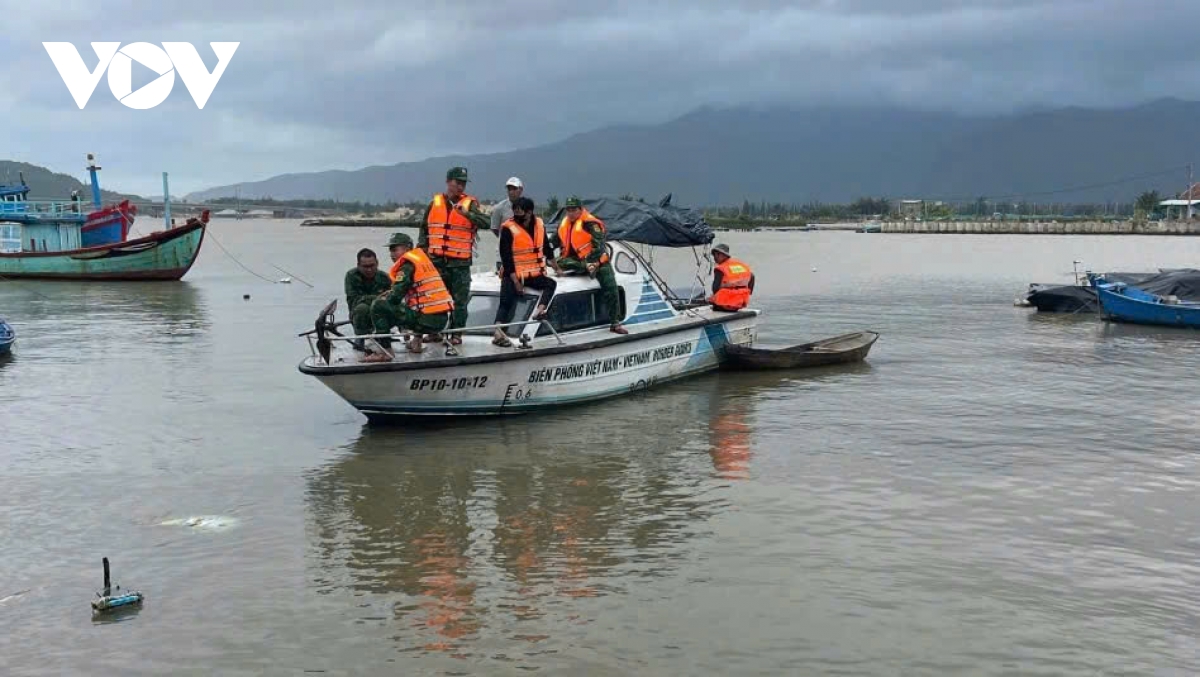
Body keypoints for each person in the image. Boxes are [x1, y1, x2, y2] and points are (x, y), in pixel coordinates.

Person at [417, 166, 490, 343]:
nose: (461, 186)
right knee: (434, 298)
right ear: (448, 182)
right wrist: (422, 251)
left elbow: (487, 223)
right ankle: (434, 331)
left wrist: (468, 214)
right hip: (437, 261)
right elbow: (424, 228)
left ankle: (456, 334)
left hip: (460, 264)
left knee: (460, 301)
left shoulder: (470, 204)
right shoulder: (434, 203)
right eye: (458, 182)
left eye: (463, 183)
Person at [366, 232, 454, 361]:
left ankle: (385, 351)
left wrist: (386, 296)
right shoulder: (423, 262)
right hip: (440, 321)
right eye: (390, 250)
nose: (392, 254)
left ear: (407, 248)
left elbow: (395, 298)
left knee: (379, 305)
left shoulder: (407, 266)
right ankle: (416, 342)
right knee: (413, 305)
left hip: (427, 321)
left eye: (395, 249)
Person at [555, 196, 627, 334]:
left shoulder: (590, 224)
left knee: (611, 286)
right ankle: (584, 267)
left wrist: (591, 263)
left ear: (580, 209)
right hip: (574, 262)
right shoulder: (563, 224)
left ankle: (615, 323)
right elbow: (553, 242)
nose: (570, 213)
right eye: (568, 210)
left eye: (573, 209)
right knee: (558, 262)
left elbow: (599, 246)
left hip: (597, 261)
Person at [493, 197, 558, 347]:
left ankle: (540, 311)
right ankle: (497, 331)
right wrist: (516, 282)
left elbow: (547, 248)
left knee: (551, 284)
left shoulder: (540, 225)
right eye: (515, 211)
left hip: (533, 274)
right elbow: (506, 257)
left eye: (520, 211)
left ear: (529, 212)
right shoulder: (509, 228)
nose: (517, 215)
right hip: (513, 273)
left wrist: (556, 267)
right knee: (506, 301)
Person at [344, 247, 392, 346]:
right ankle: (361, 338)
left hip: (381, 313)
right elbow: (354, 299)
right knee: (362, 308)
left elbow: (392, 299)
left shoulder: (385, 278)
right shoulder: (351, 276)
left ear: (377, 263)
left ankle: (385, 337)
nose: (369, 269)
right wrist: (377, 298)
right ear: (358, 265)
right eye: (365, 266)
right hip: (359, 313)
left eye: (372, 265)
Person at [708, 243, 755, 311]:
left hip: (725, 305)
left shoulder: (720, 268)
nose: (715, 258)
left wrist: (712, 298)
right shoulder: (740, 264)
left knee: (711, 299)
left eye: (716, 255)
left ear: (723, 255)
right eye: (714, 256)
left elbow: (715, 289)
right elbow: (752, 277)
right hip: (741, 303)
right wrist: (748, 293)